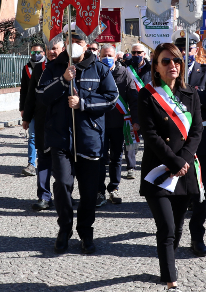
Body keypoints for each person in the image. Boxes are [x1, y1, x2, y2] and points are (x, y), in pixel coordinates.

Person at [37, 25, 118, 255]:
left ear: (86, 43)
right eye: (69, 39)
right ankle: (64, 229)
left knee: (90, 191)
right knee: (62, 185)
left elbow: (111, 99)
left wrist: (84, 104)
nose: (74, 43)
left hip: (90, 139)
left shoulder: (100, 69)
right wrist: (63, 80)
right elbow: (42, 97)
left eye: (79, 40)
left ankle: (86, 231)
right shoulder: (53, 67)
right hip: (61, 139)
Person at [138, 43, 203, 292]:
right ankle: (172, 287)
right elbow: (150, 135)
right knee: (165, 228)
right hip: (159, 171)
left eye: (176, 60)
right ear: (156, 66)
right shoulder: (146, 95)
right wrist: (173, 161)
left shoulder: (191, 95)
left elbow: (197, 131)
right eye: (166, 61)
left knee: (176, 229)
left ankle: (167, 265)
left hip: (185, 172)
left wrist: (184, 160)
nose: (172, 65)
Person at [173, 31, 206, 257]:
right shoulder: (168, 72)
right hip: (175, 137)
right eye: (181, 47)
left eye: (190, 47)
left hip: (201, 135)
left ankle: (197, 237)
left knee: (200, 189)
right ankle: (172, 235)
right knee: (175, 188)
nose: (186, 52)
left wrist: (194, 94)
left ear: (197, 49)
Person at [22, 39, 64, 211]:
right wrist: (26, 117)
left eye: (54, 49)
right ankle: (44, 196)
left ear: (63, 49)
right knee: (44, 159)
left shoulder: (69, 68)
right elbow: (30, 94)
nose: (51, 52)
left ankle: (64, 196)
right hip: (42, 120)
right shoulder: (39, 68)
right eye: (49, 49)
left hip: (62, 121)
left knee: (62, 162)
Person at [97, 44, 139, 206]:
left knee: (115, 158)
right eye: (104, 55)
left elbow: (133, 98)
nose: (106, 58)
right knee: (99, 158)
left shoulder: (125, 73)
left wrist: (136, 120)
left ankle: (113, 188)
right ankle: (99, 191)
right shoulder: (96, 72)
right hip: (98, 123)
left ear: (116, 57)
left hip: (118, 124)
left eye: (109, 55)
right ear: (100, 57)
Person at [122, 42, 151, 179]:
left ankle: (150, 165)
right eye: (134, 53)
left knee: (150, 138)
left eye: (139, 53)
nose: (136, 55)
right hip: (131, 107)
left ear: (144, 54)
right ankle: (130, 167)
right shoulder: (126, 69)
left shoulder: (152, 69)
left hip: (149, 108)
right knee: (131, 138)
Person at [20, 43, 46, 177]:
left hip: (46, 108)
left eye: (38, 52)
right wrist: (22, 109)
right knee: (32, 136)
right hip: (32, 108)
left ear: (43, 53)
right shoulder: (26, 68)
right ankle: (31, 164)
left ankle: (49, 163)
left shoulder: (48, 66)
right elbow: (24, 90)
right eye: (33, 53)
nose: (35, 55)